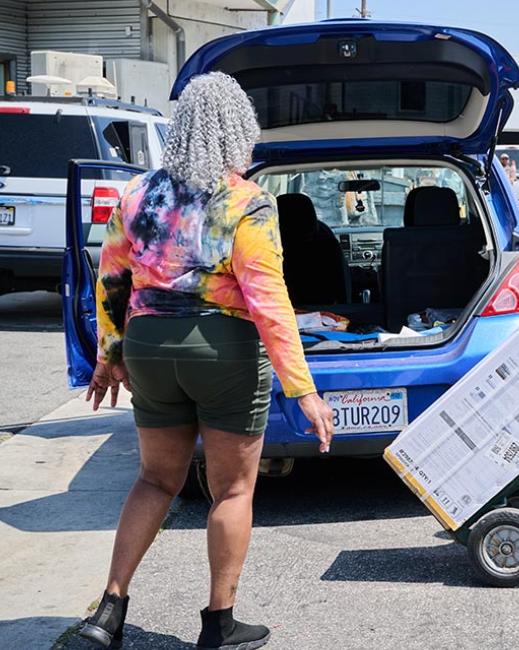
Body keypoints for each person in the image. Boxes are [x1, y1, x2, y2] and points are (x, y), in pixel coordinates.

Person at [77, 72, 334, 650]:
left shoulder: (138, 194)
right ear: (238, 129)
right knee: (232, 490)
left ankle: (108, 611)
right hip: (222, 349)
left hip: (148, 346)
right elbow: (269, 300)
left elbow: (111, 276)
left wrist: (109, 353)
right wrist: (303, 389)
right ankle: (219, 625)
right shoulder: (246, 202)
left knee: (154, 478)